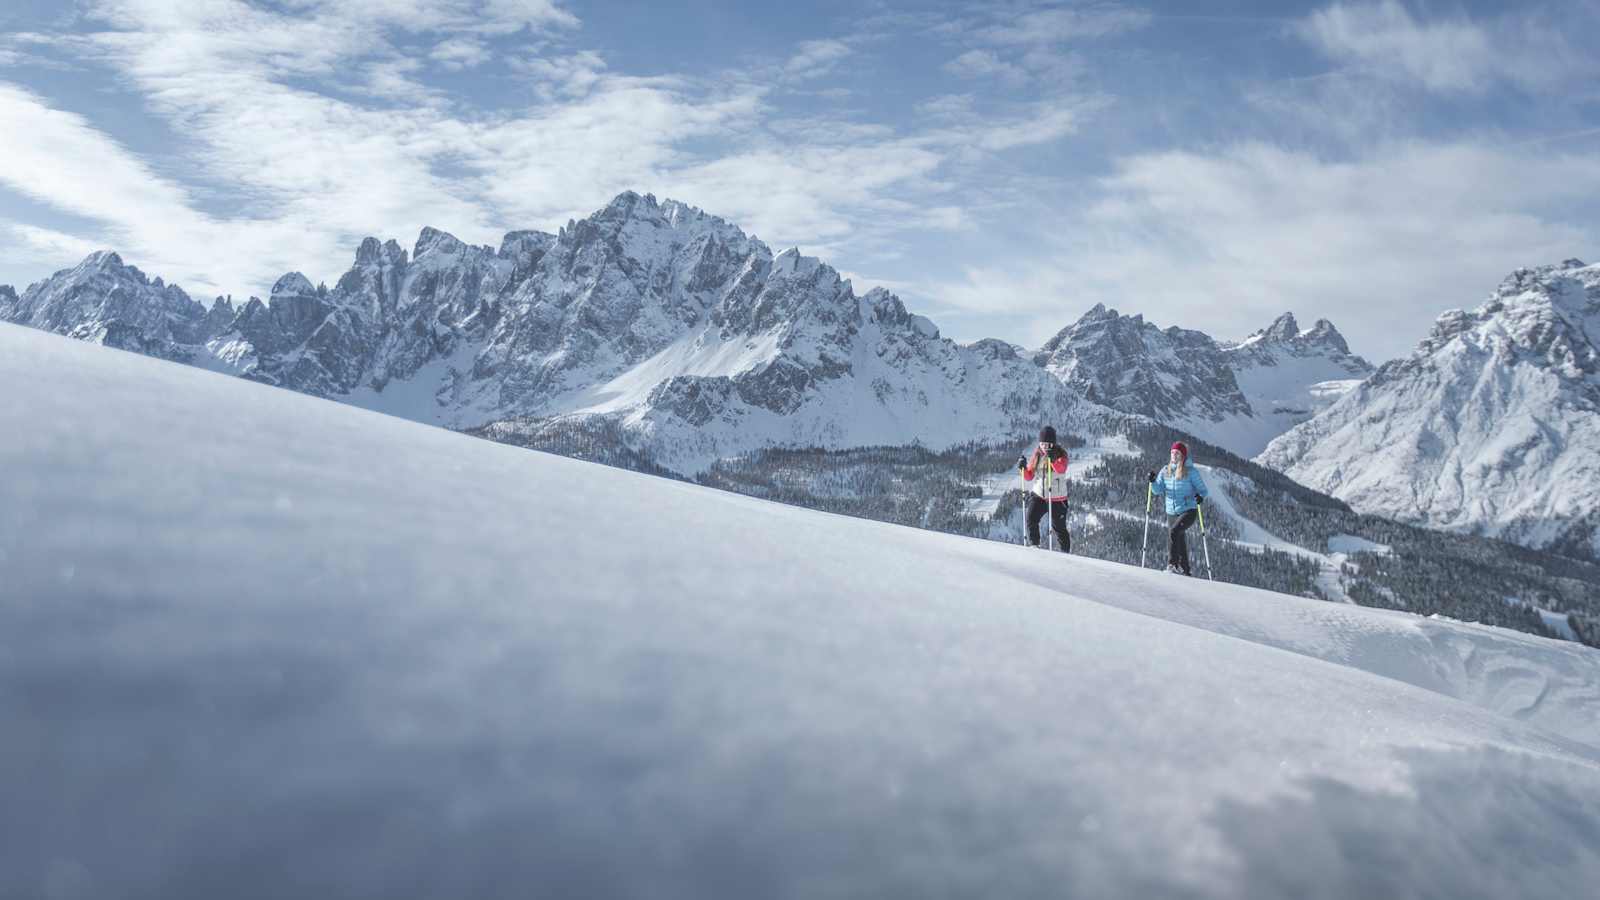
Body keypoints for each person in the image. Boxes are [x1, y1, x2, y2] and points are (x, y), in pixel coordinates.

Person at [1148, 441, 1208, 575]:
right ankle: (1185, 571)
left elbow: (1203, 490)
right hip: (1171, 511)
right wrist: (1152, 482)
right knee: (1178, 539)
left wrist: (1200, 497)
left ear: (1183, 455)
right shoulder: (1165, 470)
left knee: (1174, 532)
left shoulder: (1191, 472)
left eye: (1177, 453)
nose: (1174, 455)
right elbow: (1158, 490)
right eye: (1172, 453)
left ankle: (1172, 565)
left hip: (1188, 510)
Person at [1018, 426, 1070, 552]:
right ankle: (1035, 545)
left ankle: (1065, 553)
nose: (1045, 447)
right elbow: (1029, 476)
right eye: (1042, 444)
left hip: (1057, 497)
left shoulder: (1061, 455)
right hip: (1039, 495)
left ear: (1054, 443)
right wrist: (1022, 468)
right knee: (1031, 518)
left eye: (1048, 444)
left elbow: (1061, 469)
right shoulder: (1037, 455)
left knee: (1058, 527)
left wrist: (1053, 460)